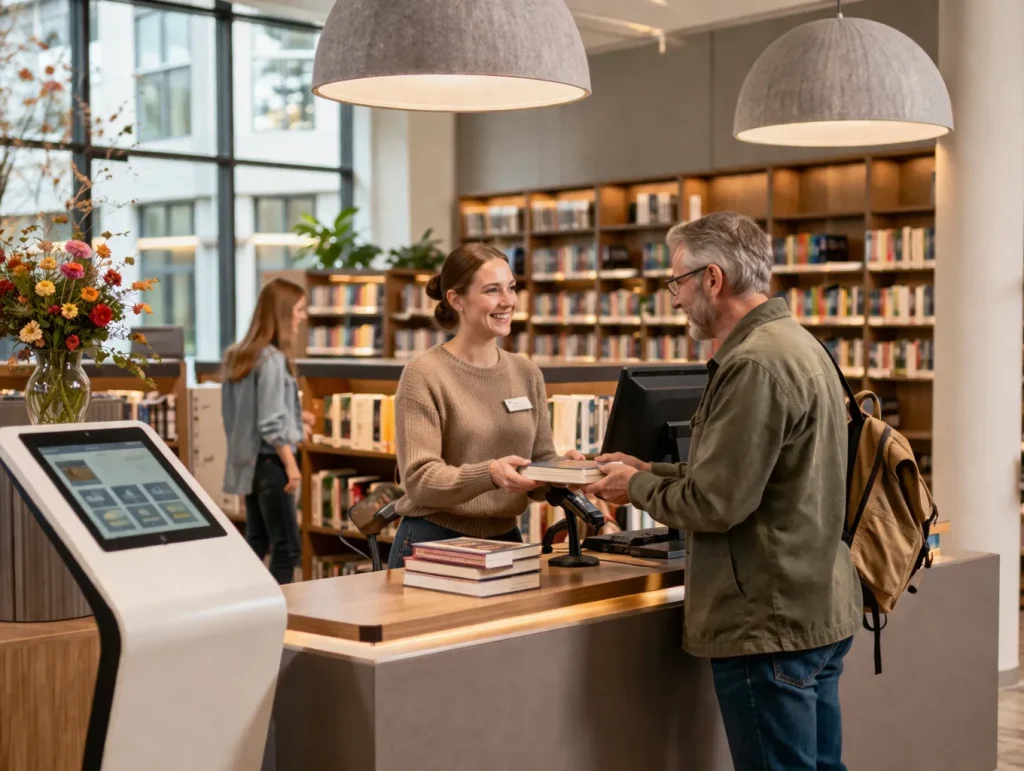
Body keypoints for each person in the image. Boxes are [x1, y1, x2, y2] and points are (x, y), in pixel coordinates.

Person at [585, 211, 862, 771]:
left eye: (677, 282)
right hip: (815, 601)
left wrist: (632, 486)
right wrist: (647, 470)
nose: (675, 300)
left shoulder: (754, 364)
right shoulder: (800, 345)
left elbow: (716, 503)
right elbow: (755, 478)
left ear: (713, 279)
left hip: (765, 616)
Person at [388, 242, 583, 568]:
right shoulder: (424, 374)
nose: (508, 301)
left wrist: (560, 471)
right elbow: (419, 481)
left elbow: (537, 465)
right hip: (432, 540)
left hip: (506, 540)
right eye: (492, 290)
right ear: (456, 299)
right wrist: (489, 474)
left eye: (510, 288)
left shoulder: (526, 373)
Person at [221, 277, 314, 584]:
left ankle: (239, 603)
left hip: (251, 465)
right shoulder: (273, 360)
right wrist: (291, 466)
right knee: (287, 547)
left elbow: (241, 416)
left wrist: (297, 421)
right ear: (283, 313)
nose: (303, 317)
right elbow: (271, 423)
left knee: (257, 541)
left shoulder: (240, 356)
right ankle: (280, 616)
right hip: (274, 464)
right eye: (299, 310)